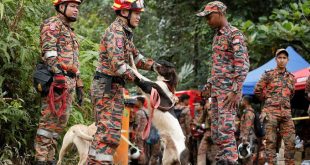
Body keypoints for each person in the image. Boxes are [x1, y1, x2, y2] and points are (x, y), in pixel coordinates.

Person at [87, 0, 161, 163]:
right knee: (108, 135)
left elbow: (136, 57)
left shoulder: (124, 34)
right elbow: (119, 65)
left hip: (113, 88)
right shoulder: (116, 33)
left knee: (106, 134)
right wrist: (141, 82)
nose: (139, 17)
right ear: (124, 12)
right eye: (136, 13)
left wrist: (157, 67)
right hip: (107, 87)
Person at [196, 1, 250, 164]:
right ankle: (223, 160)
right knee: (216, 132)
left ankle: (231, 160)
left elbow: (242, 65)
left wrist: (235, 91)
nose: (208, 21)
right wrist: (209, 85)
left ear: (220, 14)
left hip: (228, 93)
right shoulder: (217, 36)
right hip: (217, 92)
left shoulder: (235, 35)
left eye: (209, 17)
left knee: (226, 130)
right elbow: (219, 66)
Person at [34, 0, 83, 164]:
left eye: (77, 7)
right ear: (62, 7)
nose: (76, 10)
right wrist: (59, 75)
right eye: (73, 7)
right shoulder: (53, 24)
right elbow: (49, 52)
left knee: (59, 125)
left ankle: (50, 159)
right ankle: (40, 159)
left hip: (68, 83)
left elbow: (74, 61)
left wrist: (79, 84)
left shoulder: (70, 31)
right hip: (56, 82)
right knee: (48, 122)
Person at [254, 48, 296, 165]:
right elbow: (257, 90)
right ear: (276, 59)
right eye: (279, 57)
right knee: (271, 143)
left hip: (286, 114)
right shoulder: (268, 74)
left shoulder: (291, 77)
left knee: (291, 142)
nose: (282, 60)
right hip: (271, 112)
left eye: (284, 58)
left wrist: (283, 102)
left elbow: (291, 94)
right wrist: (268, 100)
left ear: (288, 60)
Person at [239, 95, 256, 165]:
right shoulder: (246, 112)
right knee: (245, 158)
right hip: (246, 137)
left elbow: (248, 126)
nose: (241, 102)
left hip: (248, 138)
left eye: (242, 100)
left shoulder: (249, 113)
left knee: (247, 158)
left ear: (246, 101)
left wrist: (245, 138)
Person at [132, 96, 148, 164]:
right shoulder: (146, 111)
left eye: (136, 101)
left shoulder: (139, 112)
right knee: (146, 150)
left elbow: (137, 124)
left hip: (140, 134)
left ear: (140, 102)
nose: (135, 102)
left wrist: (134, 134)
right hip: (146, 133)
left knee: (140, 149)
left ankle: (141, 162)